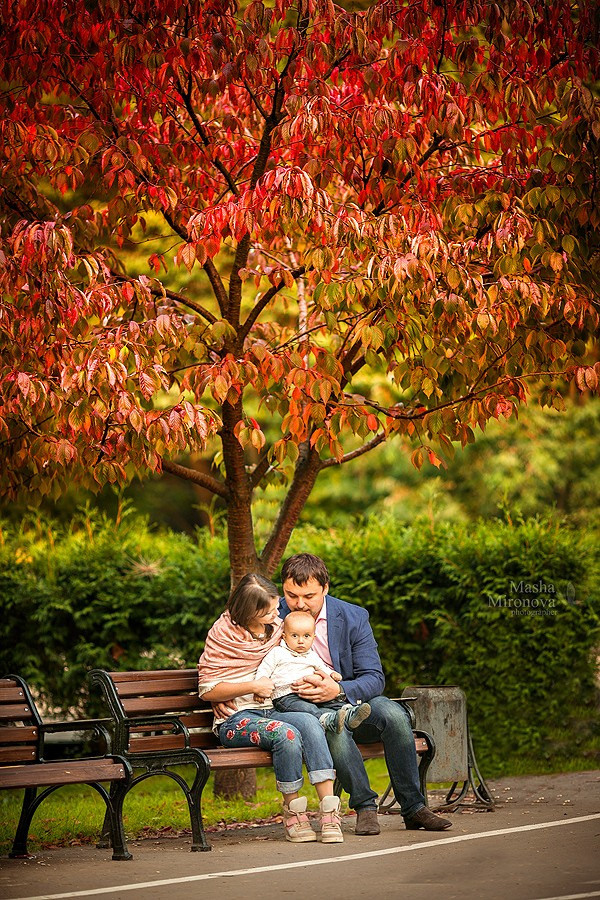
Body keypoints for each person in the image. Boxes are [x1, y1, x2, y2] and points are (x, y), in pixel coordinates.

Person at [278, 553, 452, 836]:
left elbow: (374, 677)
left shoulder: (352, 617)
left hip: (351, 701)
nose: (299, 604)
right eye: (291, 595)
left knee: (395, 715)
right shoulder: (272, 617)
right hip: (304, 709)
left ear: (325, 588)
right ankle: (366, 808)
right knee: (335, 728)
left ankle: (413, 807)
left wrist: (339, 689)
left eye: (308, 596)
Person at [197, 573, 343, 843]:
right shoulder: (223, 634)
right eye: (268, 611)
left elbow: (298, 658)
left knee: (311, 724)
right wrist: (252, 686)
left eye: (276, 607)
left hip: (273, 708)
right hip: (235, 718)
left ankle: (329, 811)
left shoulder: (276, 628)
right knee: (285, 733)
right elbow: (207, 689)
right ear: (248, 611)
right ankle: (293, 813)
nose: (277, 614)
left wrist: (317, 677)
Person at [255, 609, 372, 733]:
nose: (301, 641)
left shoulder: (312, 655)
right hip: (286, 696)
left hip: (310, 694)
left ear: (313, 638)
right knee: (307, 708)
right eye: (294, 636)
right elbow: (264, 669)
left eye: (306, 636)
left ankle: (349, 713)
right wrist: (259, 688)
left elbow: (322, 668)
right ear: (284, 636)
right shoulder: (278, 652)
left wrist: (331, 674)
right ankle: (327, 720)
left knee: (331, 702)